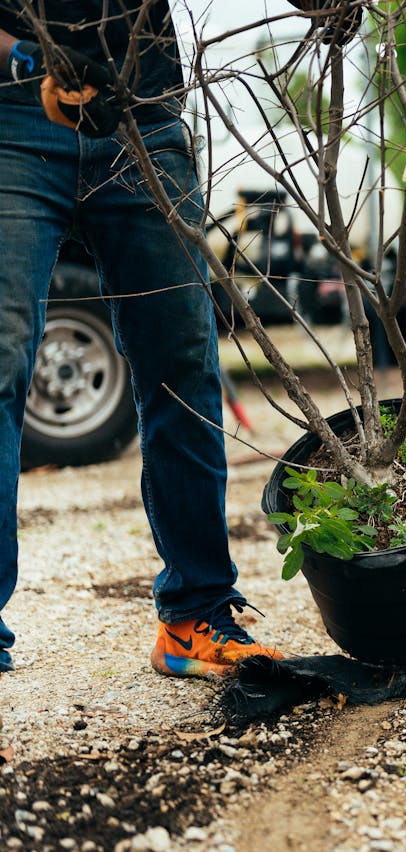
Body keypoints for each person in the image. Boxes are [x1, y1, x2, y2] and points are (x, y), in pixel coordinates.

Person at [0, 0, 362, 678]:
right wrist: (27, 58)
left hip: (143, 109)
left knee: (184, 360)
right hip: (12, 118)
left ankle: (196, 615)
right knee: (1, 357)